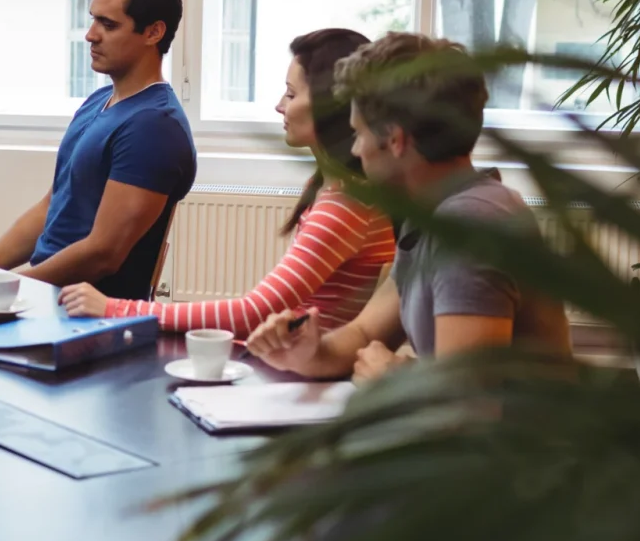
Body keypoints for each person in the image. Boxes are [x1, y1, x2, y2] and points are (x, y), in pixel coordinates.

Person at [244, 32, 572, 382]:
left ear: (396, 140)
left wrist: (392, 382)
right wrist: (309, 353)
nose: (355, 150)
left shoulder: (470, 227)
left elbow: (469, 406)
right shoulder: (431, 214)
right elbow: (364, 334)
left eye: (359, 134)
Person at [59, 29, 397, 336]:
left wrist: (116, 309)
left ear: (331, 107)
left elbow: (255, 311)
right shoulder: (334, 190)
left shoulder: (345, 206)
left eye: (291, 95)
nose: (280, 106)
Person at [0, 0, 197, 301]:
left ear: (153, 33)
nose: (90, 35)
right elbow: (51, 208)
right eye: (93, 20)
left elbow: (103, 253)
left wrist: (16, 290)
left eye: (108, 25)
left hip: (88, 318)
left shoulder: (154, 127)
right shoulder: (98, 102)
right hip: (48, 298)